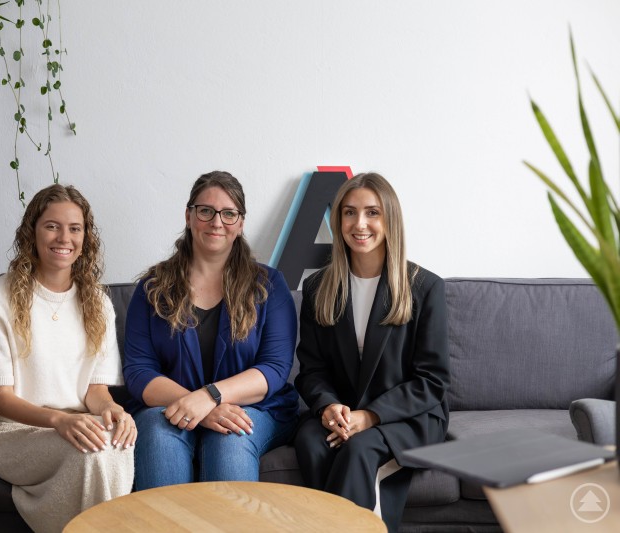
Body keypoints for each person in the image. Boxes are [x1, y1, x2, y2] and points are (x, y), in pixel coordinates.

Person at [0, 184, 135, 533]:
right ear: (32, 231)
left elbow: (95, 391)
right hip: (7, 430)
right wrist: (59, 421)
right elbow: (2, 399)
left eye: (75, 228)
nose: (63, 237)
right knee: (90, 454)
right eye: (52, 226)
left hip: (74, 421)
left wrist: (111, 410)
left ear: (86, 237)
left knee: (115, 445)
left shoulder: (98, 304)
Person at [293, 173, 450, 532]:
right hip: (344, 412)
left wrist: (371, 417)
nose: (359, 224)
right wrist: (329, 407)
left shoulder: (425, 287)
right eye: (349, 213)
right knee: (312, 443)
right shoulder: (318, 287)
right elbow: (311, 370)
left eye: (372, 213)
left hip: (407, 417)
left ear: (389, 219)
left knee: (358, 450)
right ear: (339, 221)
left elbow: (432, 381)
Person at [123, 170, 299, 489]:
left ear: (241, 223)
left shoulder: (269, 286)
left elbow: (274, 368)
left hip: (254, 409)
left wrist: (210, 397)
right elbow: (138, 371)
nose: (216, 222)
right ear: (189, 216)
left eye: (228, 213)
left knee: (229, 438)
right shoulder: (152, 288)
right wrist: (197, 408)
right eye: (206, 211)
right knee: (156, 431)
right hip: (170, 408)